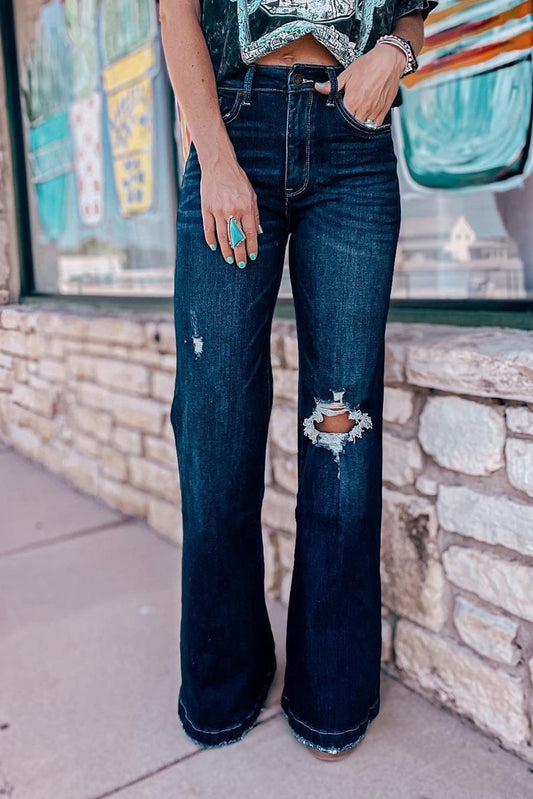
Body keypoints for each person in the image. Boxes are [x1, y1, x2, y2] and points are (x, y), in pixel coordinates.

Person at [161, 0, 438, 762]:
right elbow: (173, 9)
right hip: (235, 127)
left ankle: (332, 695)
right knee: (214, 429)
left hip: (351, 139)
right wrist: (214, 158)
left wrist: (394, 53)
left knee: (340, 432)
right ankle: (224, 680)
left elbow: (413, 8)